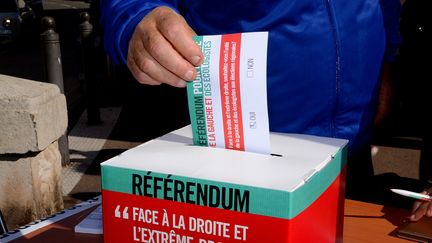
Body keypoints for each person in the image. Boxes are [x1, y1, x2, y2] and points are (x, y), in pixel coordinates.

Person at [100, 0, 400, 197]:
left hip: (352, 145)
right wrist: (135, 20)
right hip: (246, 153)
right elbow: (133, 9)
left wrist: (384, 57)